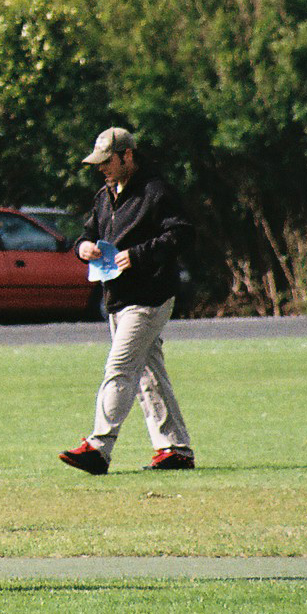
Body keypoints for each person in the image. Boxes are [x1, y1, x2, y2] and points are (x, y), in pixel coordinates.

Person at [60, 126, 195, 475]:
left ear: (128, 156)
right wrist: (82, 248)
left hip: (149, 297)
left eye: (108, 162)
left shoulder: (156, 191)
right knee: (149, 373)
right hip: (118, 298)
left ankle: (98, 447)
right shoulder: (104, 195)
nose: (101, 168)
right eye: (99, 163)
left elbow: (181, 234)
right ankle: (175, 449)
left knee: (119, 368)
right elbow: (89, 232)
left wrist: (138, 255)